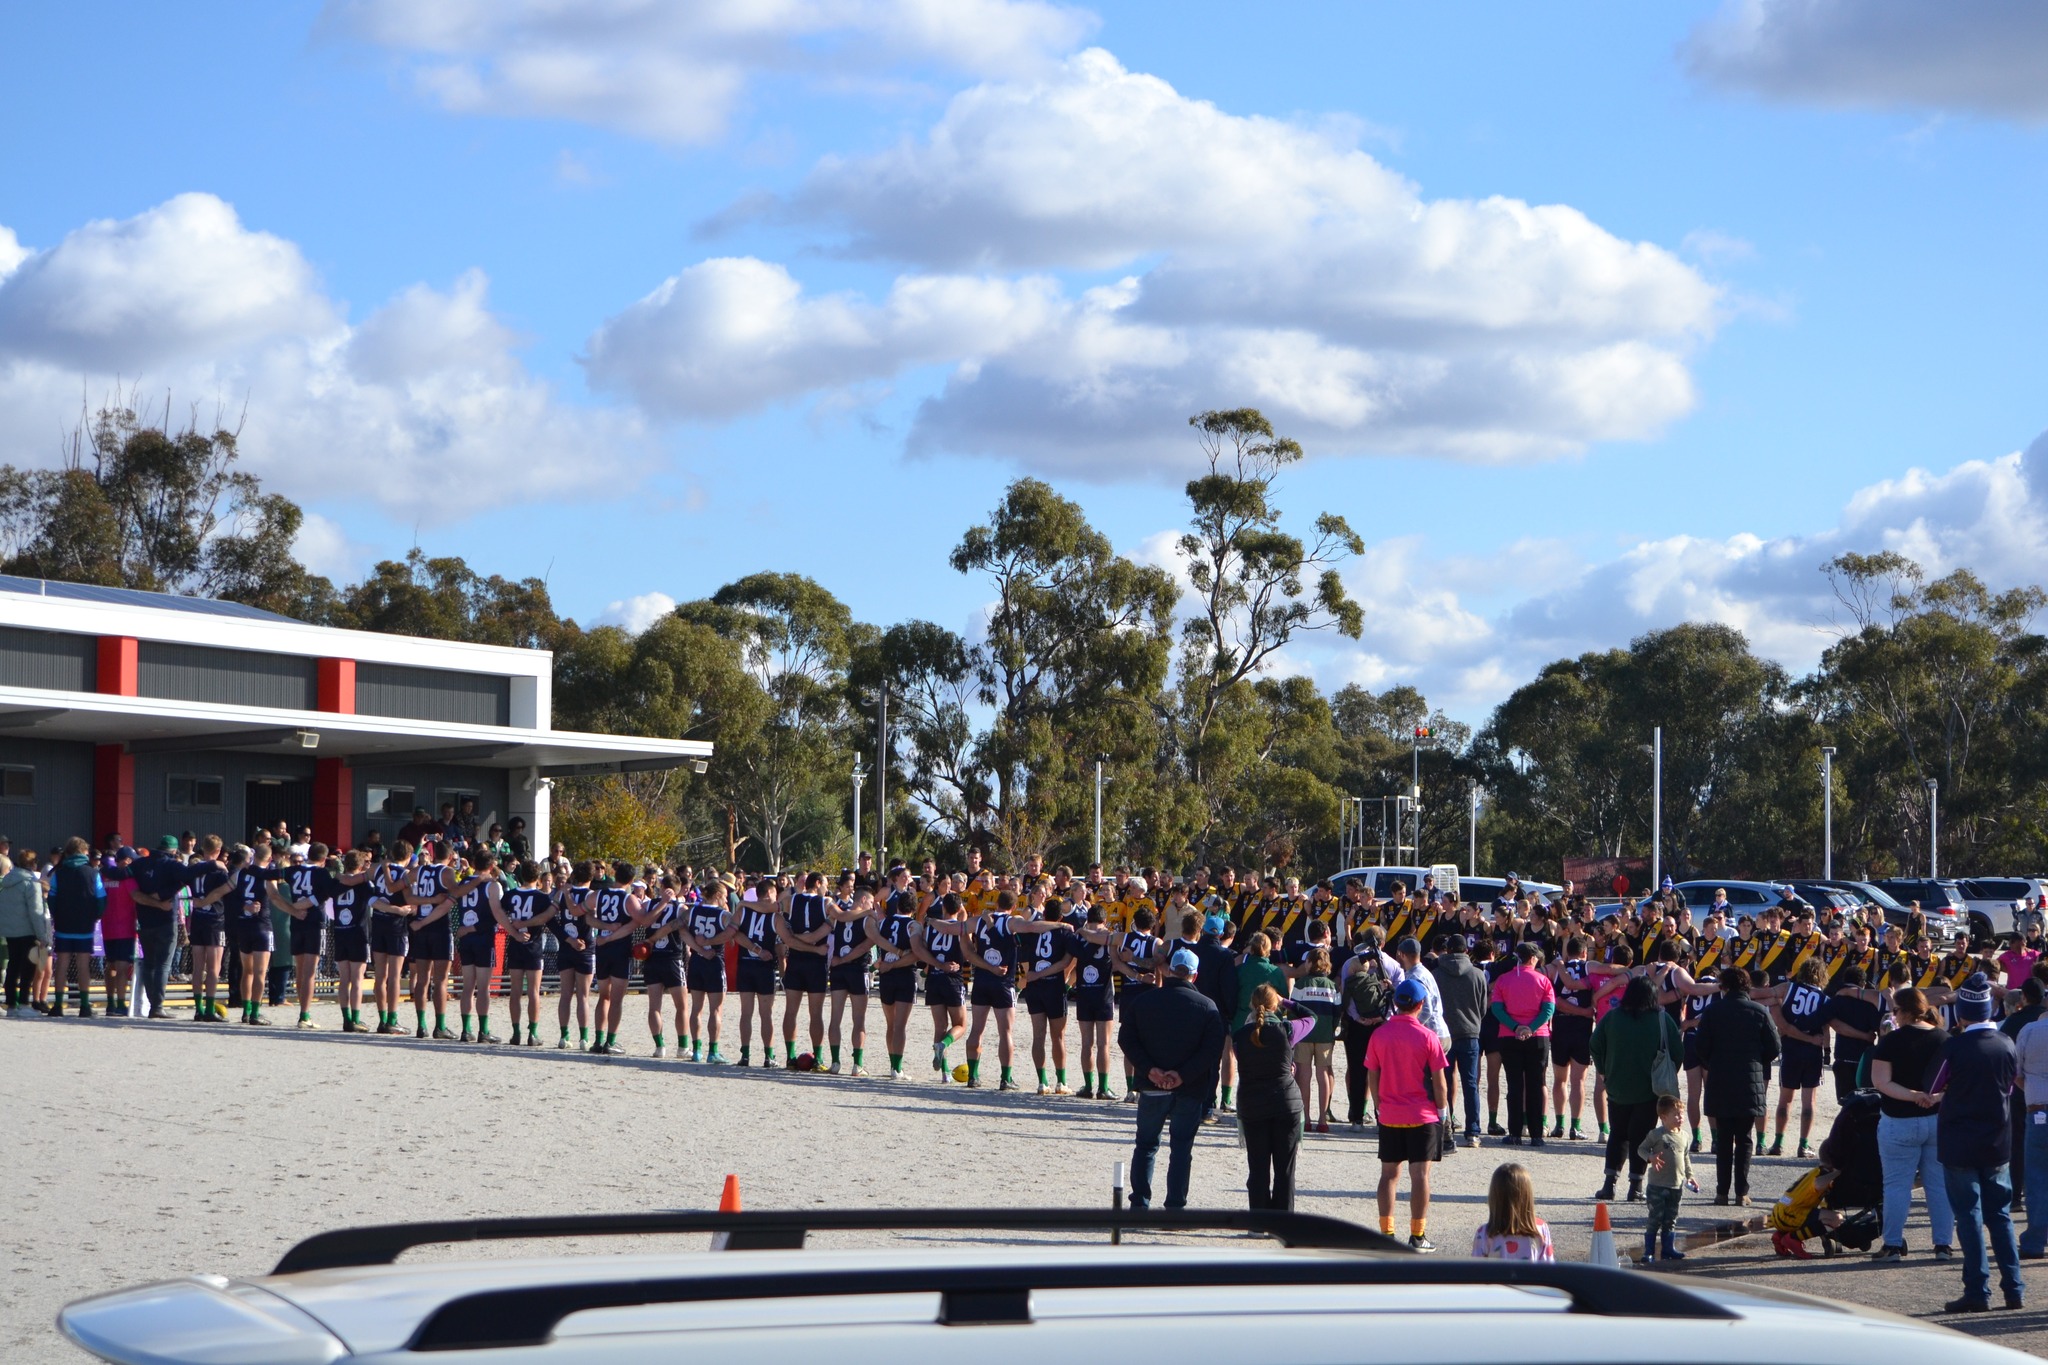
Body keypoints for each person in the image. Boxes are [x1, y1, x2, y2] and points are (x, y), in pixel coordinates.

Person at [1934, 972, 2025, 1312]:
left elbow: (1932, 1090)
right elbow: (2011, 1087)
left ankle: (1977, 1291)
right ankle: (2014, 1288)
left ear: (1962, 1013)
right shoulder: (2007, 1044)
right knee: (1999, 1216)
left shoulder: (1954, 1046)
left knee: (1969, 1217)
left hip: (1959, 1141)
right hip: (1998, 1140)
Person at [1119, 948, 1225, 1211]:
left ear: (1168, 970)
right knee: (1181, 1149)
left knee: (1145, 1145)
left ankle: (1139, 1204)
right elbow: (1212, 1051)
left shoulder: (1144, 1001)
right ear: (1194, 975)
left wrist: (1149, 1069)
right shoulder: (1208, 1007)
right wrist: (1183, 1075)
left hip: (1152, 1085)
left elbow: (1126, 1039)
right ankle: (1175, 1207)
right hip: (1188, 1088)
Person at [1870, 985, 1955, 1262]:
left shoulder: (1891, 1041)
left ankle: (1893, 1245)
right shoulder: (1944, 1038)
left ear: (1904, 1012)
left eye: (1895, 1010)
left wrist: (1913, 1096)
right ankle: (1943, 1244)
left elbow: (1881, 1082)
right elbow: (1955, 1082)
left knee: (1896, 1185)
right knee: (1939, 1185)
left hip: (1899, 1120)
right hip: (1937, 1119)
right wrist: (1933, 1097)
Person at [1365, 976, 1448, 1251]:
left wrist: (1379, 1105)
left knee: (1388, 1175)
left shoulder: (1380, 1034)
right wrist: (1443, 1111)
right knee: (1420, 1177)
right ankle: (1417, 1234)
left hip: (1390, 1113)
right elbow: (1439, 1081)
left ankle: (1385, 1234)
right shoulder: (1428, 1037)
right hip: (1422, 1114)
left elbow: (1372, 1075)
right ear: (1421, 1004)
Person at [1590, 975, 1685, 1202]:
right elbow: (1677, 1052)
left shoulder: (1612, 1018)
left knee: (1618, 1134)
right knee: (1642, 1137)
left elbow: (1594, 1044)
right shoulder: (1662, 1020)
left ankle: (1609, 1184)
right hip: (1650, 1089)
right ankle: (1636, 1186)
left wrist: (1604, 1071)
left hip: (1617, 1086)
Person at [1692, 965, 1779, 1207]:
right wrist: (1756, 1060)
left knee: (1723, 1140)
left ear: (1725, 987)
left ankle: (1721, 1192)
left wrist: (1713, 1061)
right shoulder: (1760, 1011)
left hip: (1720, 1079)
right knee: (1745, 1139)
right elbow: (1774, 1048)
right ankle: (1742, 1192)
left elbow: (1700, 1047)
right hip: (1748, 1081)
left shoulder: (1712, 1012)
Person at [1232, 984, 1315, 1209]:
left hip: (1253, 1103)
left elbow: (1247, 1062)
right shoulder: (1288, 1030)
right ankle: (1283, 1220)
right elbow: (1311, 1017)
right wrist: (1286, 1001)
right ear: (1274, 1005)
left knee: (1258, 1169)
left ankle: (1259, 1221)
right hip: (1285, 1102)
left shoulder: (1239, 1036)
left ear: (1252, 1004)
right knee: (1285, 1169)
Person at [1490, 941, 1555, 1147]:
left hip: (1509, 1036)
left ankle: (1515, 1132)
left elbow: (1497, 1009)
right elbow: (1548, 1010)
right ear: (1533, 959)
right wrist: (1531, 1028)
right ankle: (1536, 1134)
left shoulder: (1503, 980)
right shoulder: (1543, 980)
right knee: (1536, 1084)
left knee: (1514, 1084)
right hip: (1538, 1037)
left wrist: (1516, 1026)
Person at [1770, 959, 1831, 1159]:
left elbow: (1782, 1026)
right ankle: (1803, 1144)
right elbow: (1825, 1031)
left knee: (1785, 1099)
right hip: (1812, 1051)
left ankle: (1778, 1141)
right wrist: (1825, 1048)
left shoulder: (1790, 989)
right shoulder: (1824, 998)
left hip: (1790, 1049)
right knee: (1809, 1101)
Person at [1432, 934, 1487, 1149]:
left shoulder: (1436, 974)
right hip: (1470, 1032)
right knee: (1470, 1084)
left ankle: (1445, 1127)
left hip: (1444, 1035)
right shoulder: (1477, 974)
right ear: (1466, 950)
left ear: (1447, 950)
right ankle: (1473, 1131)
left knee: (1442, 1083)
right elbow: (1483, 1007)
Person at [46, 837, 105, 1017]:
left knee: (61, 964)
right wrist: (95, 916)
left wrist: (57, 916)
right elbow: (101, 899)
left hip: (63, 924)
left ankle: (57, 1005)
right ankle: (84, 1006)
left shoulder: (59, 873)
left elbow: (52, 898)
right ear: (83, 852)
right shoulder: (93, 873)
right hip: (85, 925)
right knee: (83, 965)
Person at [1639, 1094, 1696, 1262]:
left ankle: (1668, 1249)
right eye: (1676, 1114)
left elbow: (1685, 1158)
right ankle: (1648, 1251)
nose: (1680, 1118)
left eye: (1682, 1114)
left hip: (1676, 1185)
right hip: (1657, 1185)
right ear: (1664, 1117)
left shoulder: (1684, 1136)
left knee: (1671, 1219)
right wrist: (1651, 1158)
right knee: (1655, 1218)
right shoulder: (1657, 1135)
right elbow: (1641, 1149)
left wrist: (1690, 1176)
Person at [1292, 947, 1340, 1132]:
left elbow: (1293, 1010)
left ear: (1309, 963)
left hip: (1304, 1034)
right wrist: (1331, 1028)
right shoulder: (1331, 986)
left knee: (1304, 1075)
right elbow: (1337, 1012)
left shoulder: (1301, 984)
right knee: (1323, 1074)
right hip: (1325, 1036)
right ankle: (1323, 1119)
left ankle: (1306, 1117)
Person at [2016, 997, 2048, 1261]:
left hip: (2037, 1108)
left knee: (2037, 1178)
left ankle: (2035, 1241)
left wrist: (2033, 1092)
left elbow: (2016, 1073)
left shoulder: (2029, 1031)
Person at [1470, 1162, 1554, 1261]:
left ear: (1494, 1197)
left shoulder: (1484, 1233)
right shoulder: (1540, 1229)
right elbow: (1548, 1270)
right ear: (1527, 1196)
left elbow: (1476, 1272)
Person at [0, 853, 49, 1016]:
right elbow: (36, 912)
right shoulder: (31, 883)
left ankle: (11, 1004)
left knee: (13, 966)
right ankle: (23, 1004)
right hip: (27, 931)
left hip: (10, 931)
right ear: (33, 864)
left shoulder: (8, 882)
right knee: (28, 968)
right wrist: (42, 936)